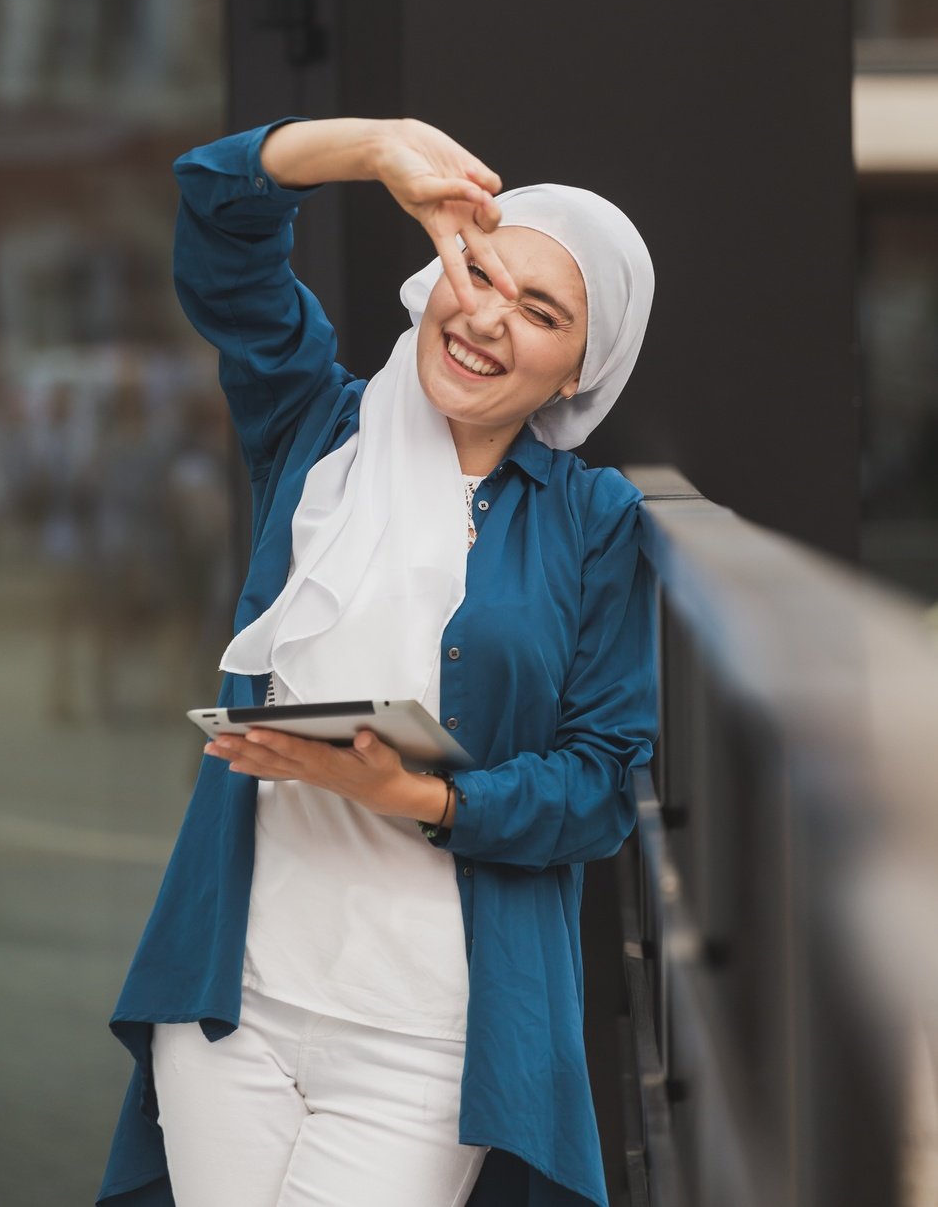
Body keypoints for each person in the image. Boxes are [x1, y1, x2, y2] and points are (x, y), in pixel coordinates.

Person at [97, 116, 659, 1207]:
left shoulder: (595, 520)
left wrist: (423, 797)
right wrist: (373, 149)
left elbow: (599, 783)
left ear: (580, 373)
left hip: (429, 1037)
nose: (489, 315)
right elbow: (219, 217)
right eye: (480, 271)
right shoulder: (318, 425)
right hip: (236, 1004)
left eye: (542, 313)